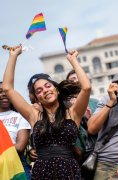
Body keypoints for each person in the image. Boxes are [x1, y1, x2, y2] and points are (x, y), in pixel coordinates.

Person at [2, 45, 91, 179]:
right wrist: (13, 56)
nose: (45, 90)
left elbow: (86, 87)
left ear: (56, 89)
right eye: (39, 90)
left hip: (69, 171)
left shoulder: (73, 113)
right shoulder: (34, 115)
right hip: (42, 172)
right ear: (37, 98)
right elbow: (8, 88)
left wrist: (73, 60)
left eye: (48, 86)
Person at [0, 82, 31, 179]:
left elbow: (20, 147)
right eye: (0, 92)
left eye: (6, 91)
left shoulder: (21, 116)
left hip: (17, 166)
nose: (4, 94)